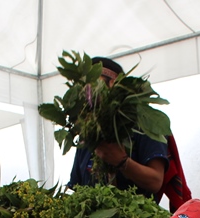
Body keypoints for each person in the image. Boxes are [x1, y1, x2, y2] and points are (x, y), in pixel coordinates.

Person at [67, 57, 170, 200]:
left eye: (95, 86)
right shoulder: (87, 134)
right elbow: (75, 187)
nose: (88, 94)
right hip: (92, 214)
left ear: (115, 86)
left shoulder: (143, 124)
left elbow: (155, 181)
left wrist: (121, 161)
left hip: (137, 214)